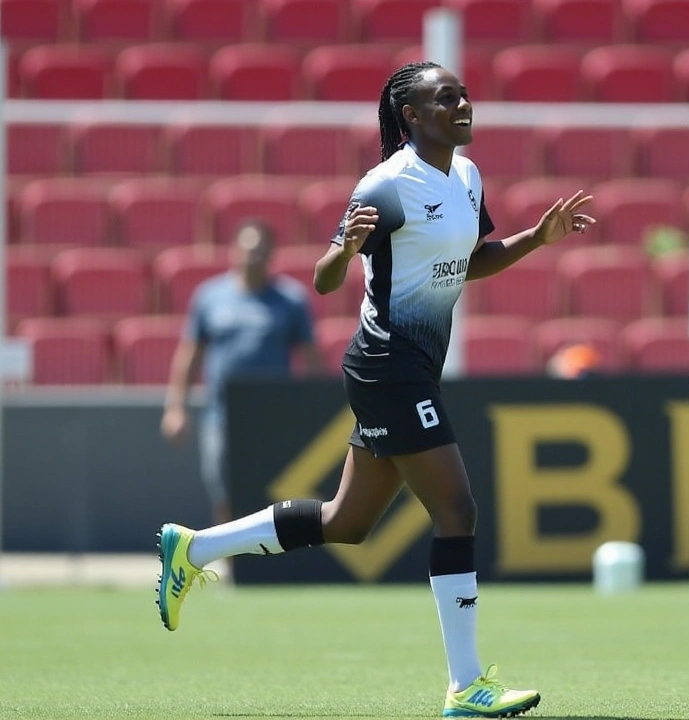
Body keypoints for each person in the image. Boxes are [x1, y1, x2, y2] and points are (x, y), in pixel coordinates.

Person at [154, 61, 595, 719]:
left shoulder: (467, 176)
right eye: (445, 97)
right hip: (388, 365)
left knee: (347, 522)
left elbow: (473, 261)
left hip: (412, 366)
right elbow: (327, 279)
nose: (462, 103)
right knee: (458, 512)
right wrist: (341, 251)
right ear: (411, 115)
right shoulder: (386, 185)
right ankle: (467, 685)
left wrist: (537, 237)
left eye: (463, 94)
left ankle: (194, 547)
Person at [162, 220, 322, 530]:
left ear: (272, 253)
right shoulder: (210, 296)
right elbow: (189, 355)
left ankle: (267, 562)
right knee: (223, 488)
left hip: (274, 415)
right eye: (248, 250)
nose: (254, 257)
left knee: (273, 491)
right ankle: (230, 562)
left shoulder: (291, 300)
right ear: (234, 251)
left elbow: (312, 359)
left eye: (261, 250)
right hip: (221, 415)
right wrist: (175, 407)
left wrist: (315, 409)